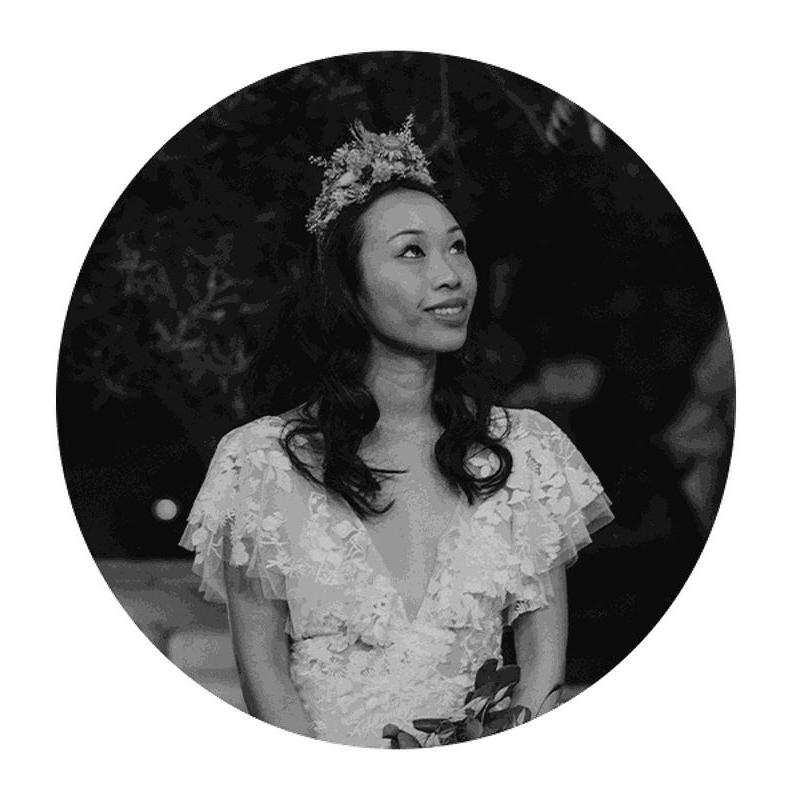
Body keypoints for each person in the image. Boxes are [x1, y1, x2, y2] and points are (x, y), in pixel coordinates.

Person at [179, 115, 614, 748]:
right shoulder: (260, 462)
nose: (450, 274)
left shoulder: (525, 451)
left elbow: (541, 676)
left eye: (457, 247)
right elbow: (264, 675)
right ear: (348, 286)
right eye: (412, 252)